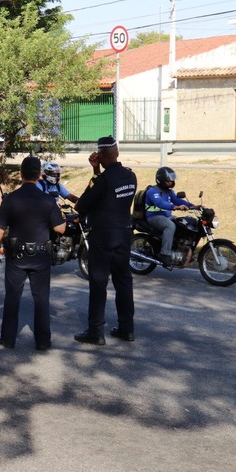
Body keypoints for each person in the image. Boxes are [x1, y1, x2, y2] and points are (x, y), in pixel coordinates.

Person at [0, 156, 67, 350]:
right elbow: (61, 229)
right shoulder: (47, 200)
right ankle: (43, 342)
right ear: (40, 175)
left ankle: (8, 339)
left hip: (16, 256)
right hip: (41, 256)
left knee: (12, 297)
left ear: (20, 174)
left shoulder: (11, 199)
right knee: (41, 299)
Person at [74, 136, 137, 345]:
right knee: (124, 282)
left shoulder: (102, 180)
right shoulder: (131, 176)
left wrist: (94, 173)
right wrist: (97, 171)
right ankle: (127, 329)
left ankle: (95, 331)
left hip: (103, 237)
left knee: (99, 283)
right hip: (124, 235)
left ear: (100, 156)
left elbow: (81, 205)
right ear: (117, 152)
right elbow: (110, 197)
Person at [144, 166, 195, 265]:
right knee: (170, 226)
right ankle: (165, 254)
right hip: (154, 217)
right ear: (161, 180)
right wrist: (175, 207)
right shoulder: (152, 191)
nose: (171, 182)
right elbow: (160, 203)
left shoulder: (169, 192)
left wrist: (193, 206)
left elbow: (178, 200)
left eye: (172, 181)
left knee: (185, 223)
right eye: (168, 181)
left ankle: (180, 248)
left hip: (166, 216)